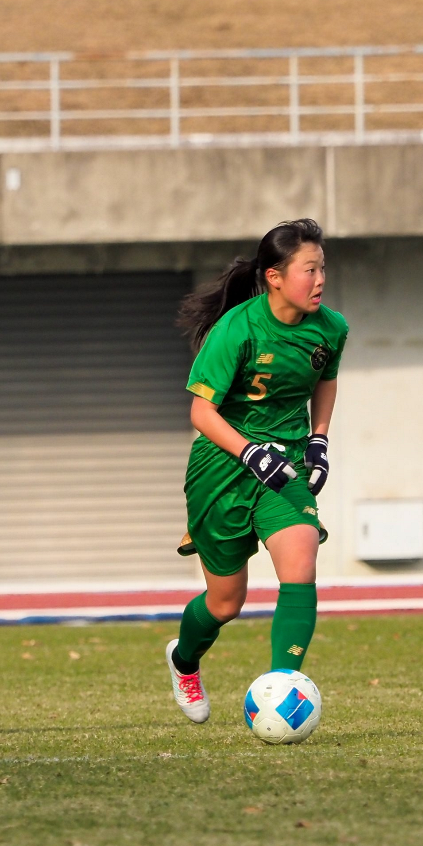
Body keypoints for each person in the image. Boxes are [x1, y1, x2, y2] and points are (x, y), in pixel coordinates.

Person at [165, 218, 347, 723]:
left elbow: (326, 380)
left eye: (322, 269)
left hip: (284, 465)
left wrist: (319, 440)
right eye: (309, 270)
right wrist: (249, 452)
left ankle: (283, 689)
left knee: (301, 559)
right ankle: (184, 661)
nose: (320, 280)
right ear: (274, 277)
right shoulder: (237, 329)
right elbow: (202, 413)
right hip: (222, 467)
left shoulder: (332, 328)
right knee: (226, 603)